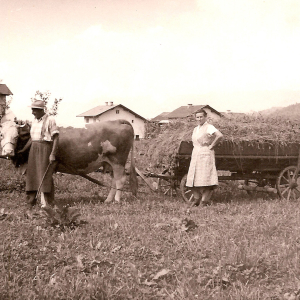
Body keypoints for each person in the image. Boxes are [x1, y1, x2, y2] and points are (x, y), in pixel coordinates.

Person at [20, 98, 59, 209]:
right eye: (32, 110)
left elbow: (56, 138)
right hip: (34, 149)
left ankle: (47, 202)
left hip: (45, 148)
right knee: (32, 174)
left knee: (44, 174)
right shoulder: (34, 121)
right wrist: (23, 150)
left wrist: (52, 154)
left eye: (35, 110)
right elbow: (32, 139)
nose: (33, 112)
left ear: (41, 110)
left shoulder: (50, 120)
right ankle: (30, 201)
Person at [186, 109, 223, 206]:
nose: (199, 119)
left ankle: (204, 201)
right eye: (197, 117)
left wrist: (211, 146)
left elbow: (219, 136)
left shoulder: (209, 127)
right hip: (196, 154)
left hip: (206, 154)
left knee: (206, 178)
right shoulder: (195, 129)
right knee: (193, 178)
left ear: (205, 117)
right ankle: (196, 199)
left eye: (201, 117)